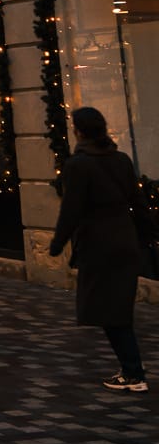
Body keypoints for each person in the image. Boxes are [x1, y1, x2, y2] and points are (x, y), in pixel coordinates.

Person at [49, 106, 151, 392]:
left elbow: (71, 210)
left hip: (99, 243)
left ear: (79, 131)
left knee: (110, 311)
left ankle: (133, 372)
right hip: (125, 239)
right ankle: (132, 368)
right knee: (117, 308)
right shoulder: (120, 160)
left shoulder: (78, 165)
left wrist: (58, 244)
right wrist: (147, 236)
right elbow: (139, 201)